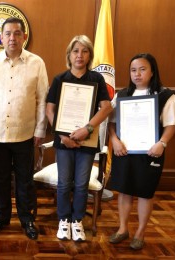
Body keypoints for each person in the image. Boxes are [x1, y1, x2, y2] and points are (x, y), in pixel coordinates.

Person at [0, 17, 49, 240]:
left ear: (24, 37)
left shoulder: (37, 62)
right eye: (7, 33)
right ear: (0, 37)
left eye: (17, 33)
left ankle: (27, 219)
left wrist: (39, 130)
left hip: (25, 133)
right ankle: (2, 216)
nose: (12, 38)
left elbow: (42, 98)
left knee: (25, 178)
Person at [107, 53, 175, 250]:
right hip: (124, 151)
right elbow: (112, 123)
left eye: (142, 69)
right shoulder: (122, 95)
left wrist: (162, 143)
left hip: (151, 152)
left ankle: (140, 232)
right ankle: (123, 229)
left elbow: (171, 125)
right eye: (133, 70)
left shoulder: (166, 96)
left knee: (144, 193)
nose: (137, 74)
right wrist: (114, 140)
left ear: (152, 72)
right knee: (124, 191)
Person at [45, 35, 113, 242]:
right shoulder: (60, 79)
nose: (80, 55)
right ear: (69, 54)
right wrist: (62, 135)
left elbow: (106, 107)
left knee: (82, 184)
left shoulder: (97, 79)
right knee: (64, 183)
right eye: (76, 51)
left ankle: (77, 221)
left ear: (90, 55)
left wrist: (88, 128)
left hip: (87, 140)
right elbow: (49, 109)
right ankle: (63, 219)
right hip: (63, 141)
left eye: (84, 51)